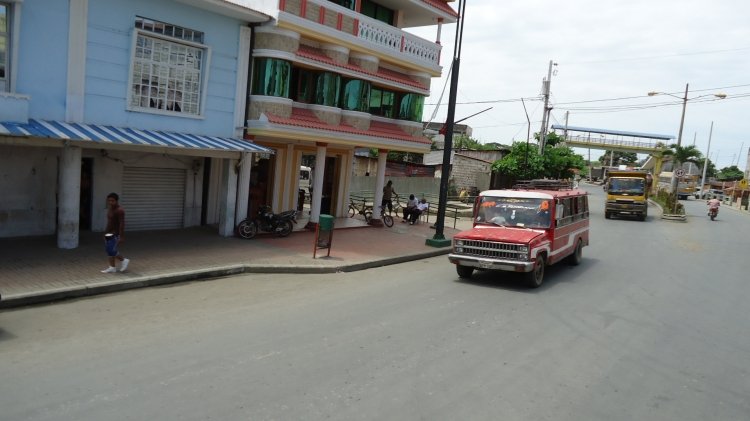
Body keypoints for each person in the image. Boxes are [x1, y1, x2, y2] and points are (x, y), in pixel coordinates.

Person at [101, 192, 129, 273]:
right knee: (108, 250)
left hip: (115, 233)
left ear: (116, 201)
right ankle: (112, 267)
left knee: (111, 250)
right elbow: (109, 222)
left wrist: (122, 236)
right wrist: (105, 233)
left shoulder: (120, 210)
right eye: (109, 201)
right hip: (109, 233)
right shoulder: (110, 209)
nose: (110, 202)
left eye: (112, 201)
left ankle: (124, 260)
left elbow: (122, 224)